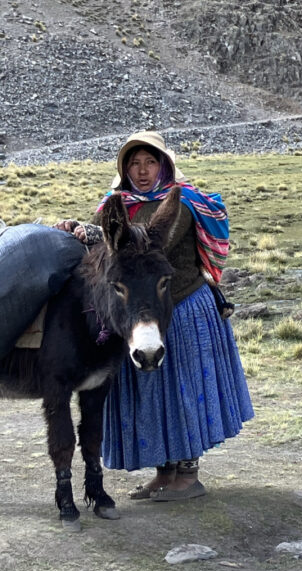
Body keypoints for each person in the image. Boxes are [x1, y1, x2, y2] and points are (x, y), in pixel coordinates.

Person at [57, 130, 254, 501]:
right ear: (124, 168)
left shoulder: (180, 203)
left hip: (181, 307)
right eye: (134, 163)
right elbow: (108, 240)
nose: (143, 171)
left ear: (164, 165)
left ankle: (188, 475)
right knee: (151, 395)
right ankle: (163, 472)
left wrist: (97, 233)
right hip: (138, 316)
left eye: (150, 162)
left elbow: (145, 238)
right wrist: (80, 229)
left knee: (184, 389)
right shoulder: (115, 204)